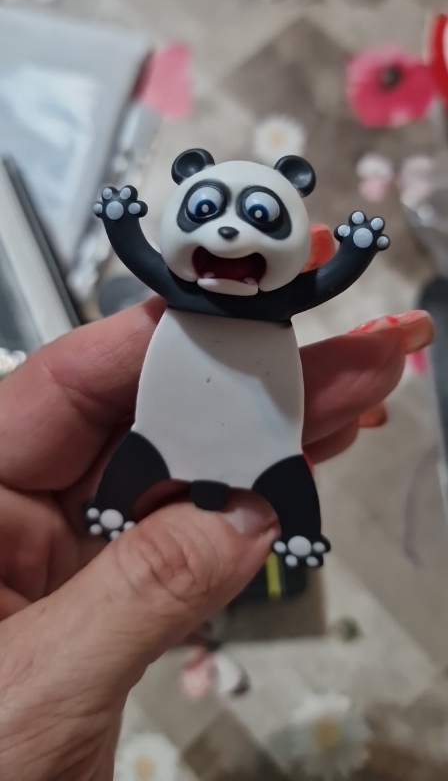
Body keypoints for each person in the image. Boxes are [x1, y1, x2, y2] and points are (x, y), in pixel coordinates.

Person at [0, 298, 433, 780]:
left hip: (236, 436)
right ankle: (120, 509)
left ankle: (291, 533)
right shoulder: (189, 313)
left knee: (261, 468)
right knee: (165, 458)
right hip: (183, 432)